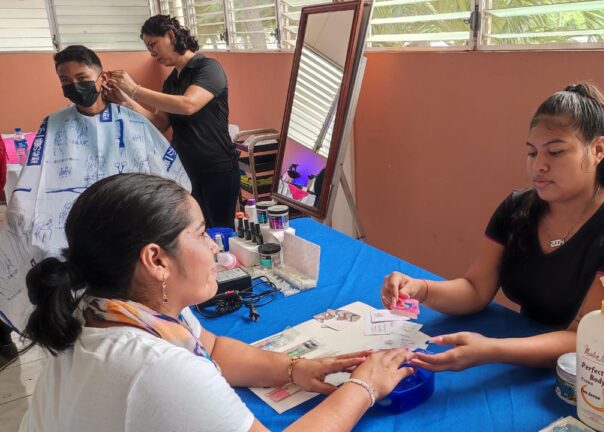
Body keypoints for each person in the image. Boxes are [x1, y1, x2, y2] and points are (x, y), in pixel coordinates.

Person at [21, 173, 414, 432]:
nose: (214, 248)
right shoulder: (157, 366)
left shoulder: (114, 306)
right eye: (202, 234)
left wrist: (296, 369)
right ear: (157, 260)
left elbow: (212, 347)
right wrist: (364, 387)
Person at [381, 83, 604, 371]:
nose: (538, 166)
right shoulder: (519, 209)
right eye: (532, 153)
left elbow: (585, 340)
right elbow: (476, 288)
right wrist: (420, 289)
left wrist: (491, 349)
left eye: (555, 152)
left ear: (597, 150)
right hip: (533, 348)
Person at [0, 45, 189, 337]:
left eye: (81, 77)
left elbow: (169, 175)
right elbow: (33, 181)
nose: (74, 85)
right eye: (65, 80)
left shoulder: (133, 120)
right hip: (72, 221)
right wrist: (20, 211)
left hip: (127, 218)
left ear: (100, 75)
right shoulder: (53, 124)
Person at [105, 15, 240, 229]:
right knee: (193, 230)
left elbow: (188, 105)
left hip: (217, 168)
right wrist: (126, 100)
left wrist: (135, 90)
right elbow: (159, 123)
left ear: (170, 35)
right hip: (184, 168)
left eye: (153, 44)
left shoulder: (208, 68)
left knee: (221, 231)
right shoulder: (171, 81)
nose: (152, 53)